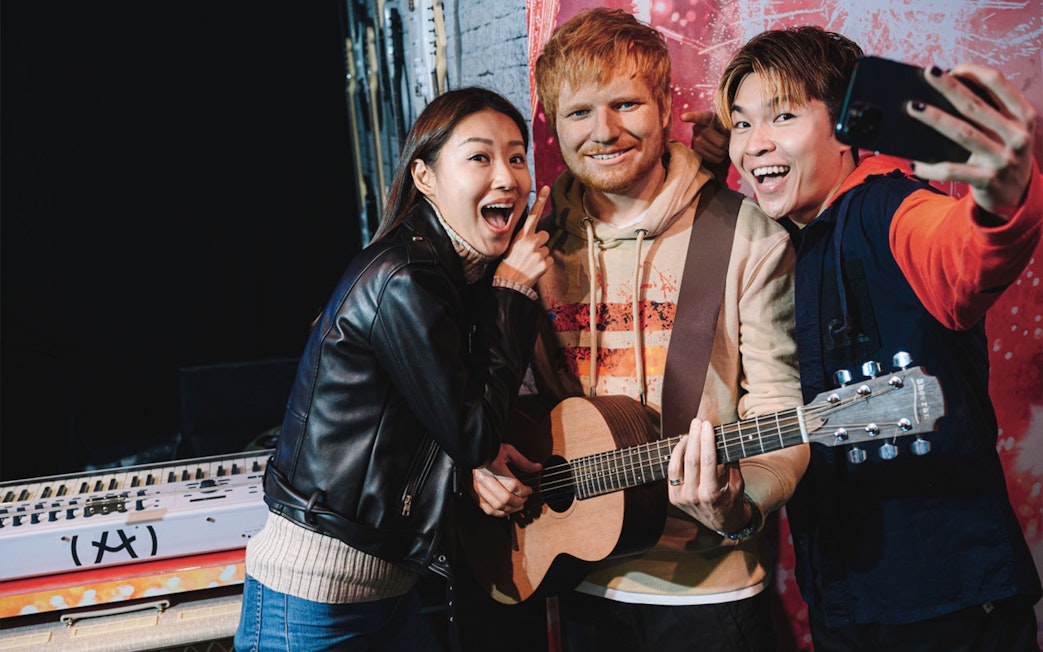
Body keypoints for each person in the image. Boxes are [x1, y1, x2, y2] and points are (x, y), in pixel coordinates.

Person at [468, 9, 809, 652]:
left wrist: (736, 504)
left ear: (664, 105)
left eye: (627, 103)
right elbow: (495, 395)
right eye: (579, 113)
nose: (605, 131)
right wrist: (479, 465)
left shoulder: (747, 236)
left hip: (709, 593)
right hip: (569, 573)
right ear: (551, 123)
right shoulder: (526, 242)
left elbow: (780, 414)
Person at [698, 25, 1043, 651]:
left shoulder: (893, 210)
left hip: (951, 611)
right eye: (742, 125)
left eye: (783, 115)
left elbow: (964, 254)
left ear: (847, 125)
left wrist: (1003, 195)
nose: (755, 144)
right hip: (843, 607)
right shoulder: (783, 242)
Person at [233, 86, 553, 652]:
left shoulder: (451, 275)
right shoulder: (407, 276)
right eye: (479, 156)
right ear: (425, 177)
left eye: (517, 156)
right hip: (313, 599)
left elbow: (429, 426)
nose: (506, 176)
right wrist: (512, 295)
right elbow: (470, 433)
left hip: (382, 591)